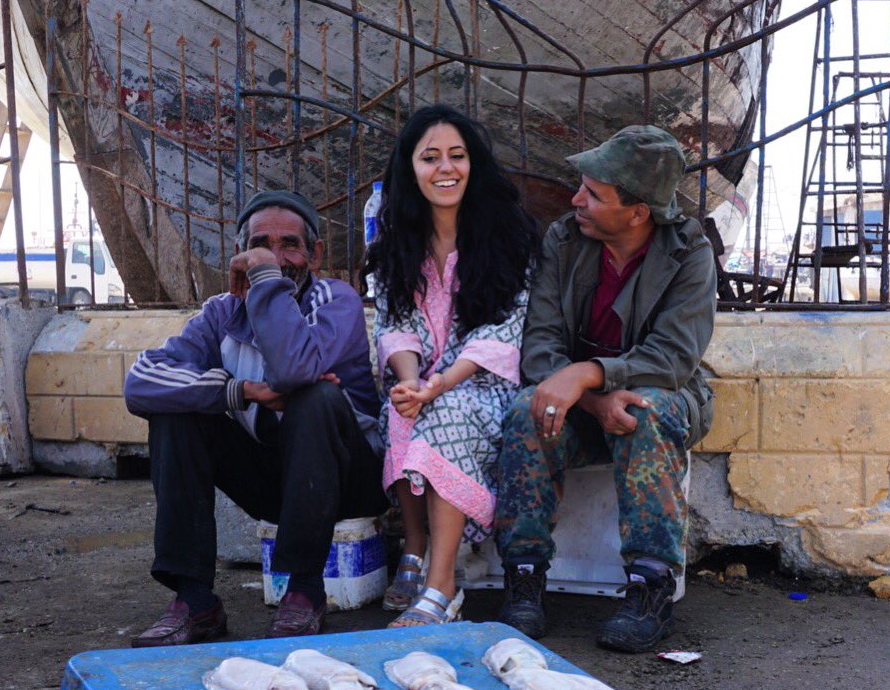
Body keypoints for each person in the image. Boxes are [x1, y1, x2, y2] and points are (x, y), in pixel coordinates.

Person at [124, 190, 386, 646]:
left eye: (289, 245)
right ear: (240, 254)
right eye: (262, 245)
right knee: (176, 412)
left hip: (350, 479)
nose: (277, 256)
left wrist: (265, 277)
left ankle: (305, 591)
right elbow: (141, 382)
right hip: (276, 483)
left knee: (316, 397)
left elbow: (293, 369)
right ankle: (195, 600)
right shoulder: (222, 313)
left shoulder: (335, 300)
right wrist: (239, 391)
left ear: (314, 254)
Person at [494, 125, 716, 653]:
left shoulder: (689, 250)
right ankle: (523, 578)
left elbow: (673, 357)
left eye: (594, 194)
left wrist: (590, 373)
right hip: (581, 406)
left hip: (659, 395)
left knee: (648, 410)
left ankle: (649, 587)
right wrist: (589, 397)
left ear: (638, 212)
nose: (577, 201)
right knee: (531, 406)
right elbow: (540, 343)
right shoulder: (565, 239)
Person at [365, 104, 540, 628]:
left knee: (446, 412)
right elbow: (391, 324)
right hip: (426, 379)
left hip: (486, 384)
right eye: (430, 157)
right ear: (411, 169)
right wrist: (411, 378)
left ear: (474, 164)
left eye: (457, 156)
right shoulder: (395, 241)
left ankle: (443, 588)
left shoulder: (510, 236)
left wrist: (441, 383)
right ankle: (415, 548)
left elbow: (503, 332)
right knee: (400, 409)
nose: (446, 169)